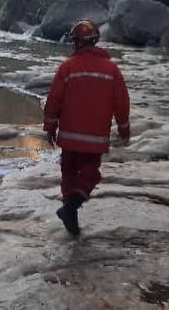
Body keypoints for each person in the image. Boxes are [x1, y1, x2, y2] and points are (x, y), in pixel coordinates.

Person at [43, 19, 131, 236]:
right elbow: (121, 101)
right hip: (95, 138)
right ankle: (71, 209)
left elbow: (54, 99)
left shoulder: (67, 67)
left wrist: (50, 127)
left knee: (69, 174)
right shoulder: (111, 69)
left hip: (69, 136)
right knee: (89, 175)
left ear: (77, 43)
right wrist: (123, 127)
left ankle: (69, 210)